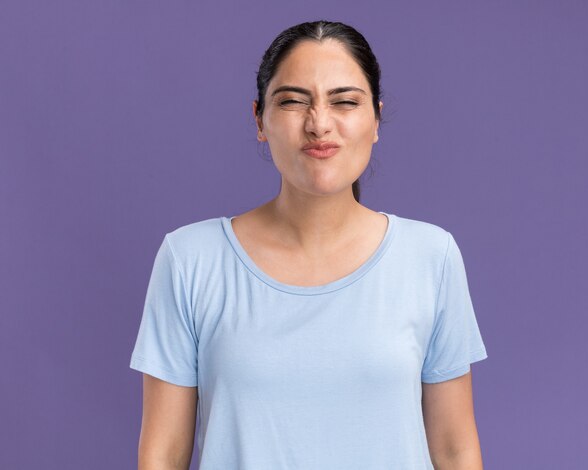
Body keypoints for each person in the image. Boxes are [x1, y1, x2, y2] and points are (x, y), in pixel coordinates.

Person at [129, 19, 488, 470]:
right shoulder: (190, 259)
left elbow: (455, 449)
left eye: (344, 102)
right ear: (259, 119)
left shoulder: (431, 257)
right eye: (294, 101)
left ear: (376, 119)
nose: (319, 124)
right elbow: (162, 455)